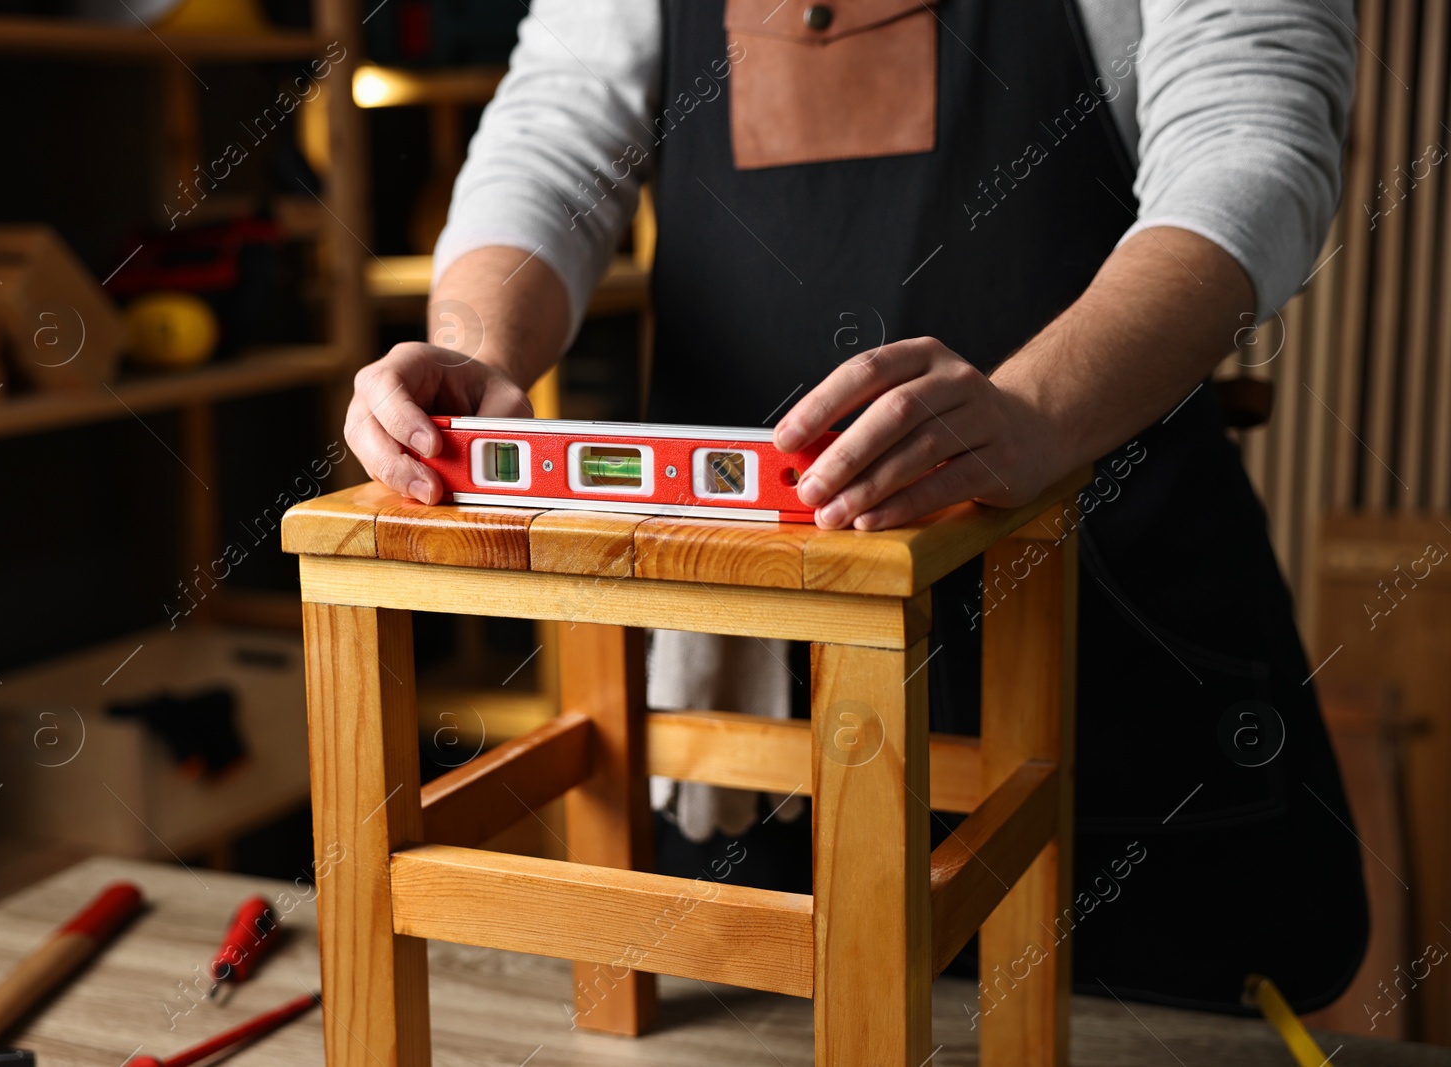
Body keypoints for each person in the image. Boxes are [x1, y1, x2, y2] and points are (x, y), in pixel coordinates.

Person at [344, 0, 1368, 1013]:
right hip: (748, 677)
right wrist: (476, 352)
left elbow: (1251, 139)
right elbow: (549, 141)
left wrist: (1034, 414)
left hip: (1111, 643)